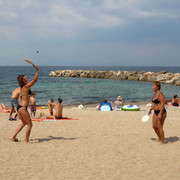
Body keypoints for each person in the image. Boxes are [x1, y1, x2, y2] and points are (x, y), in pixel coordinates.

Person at [11, 65, 39, 143]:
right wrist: (37, 70)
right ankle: (26, 141)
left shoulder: (23, 88)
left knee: (24, 123)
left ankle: (14, 136)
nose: (26, 77)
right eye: (24, 77)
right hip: (23, 108)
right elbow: (35, 80)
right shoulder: (26, 86)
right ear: (23, 80)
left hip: (20, 108)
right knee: (30, 125)